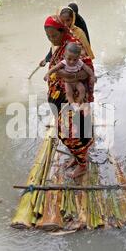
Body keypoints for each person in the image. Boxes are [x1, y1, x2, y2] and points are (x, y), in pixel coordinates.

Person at [43, 15, 94, 178]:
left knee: (72, 134)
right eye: (48, 36)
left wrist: (65, 75)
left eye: (54, 35)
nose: (52, 39)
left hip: (74, 101)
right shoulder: (59, 46)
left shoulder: (73, 45)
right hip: (61, 101)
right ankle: (76, 158)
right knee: (70, 132)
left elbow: (87, 70)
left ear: (62, 31)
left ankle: (82, 166)